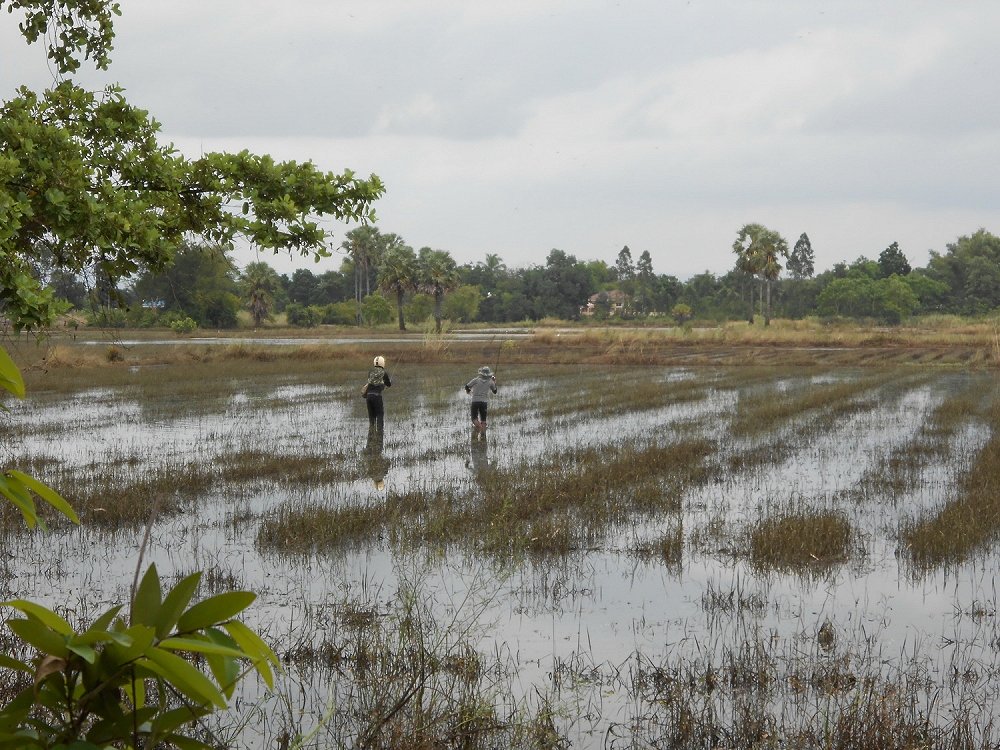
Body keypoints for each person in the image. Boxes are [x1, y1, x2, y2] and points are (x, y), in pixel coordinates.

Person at [464, 365, 497, 436]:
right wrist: (494, 382)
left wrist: (469, 391)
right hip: (484, 403)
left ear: (481, 373)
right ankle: (483, 436)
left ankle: (480, 429)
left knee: (474, 419)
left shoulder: (476, 380)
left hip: (475, 401)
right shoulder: (491, 382)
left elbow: (466, 386)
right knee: (483, 420)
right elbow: (495, 391)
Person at [364, 355, 391, 432]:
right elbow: (388, 384)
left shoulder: (370, 372)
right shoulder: (384, 373)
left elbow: (372, 381)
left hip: (368, 397)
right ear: (382, 363)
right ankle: (379, 434)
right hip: (377, 397)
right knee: (379, 416)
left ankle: (371, 434)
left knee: (371, 418)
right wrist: (385, 384)